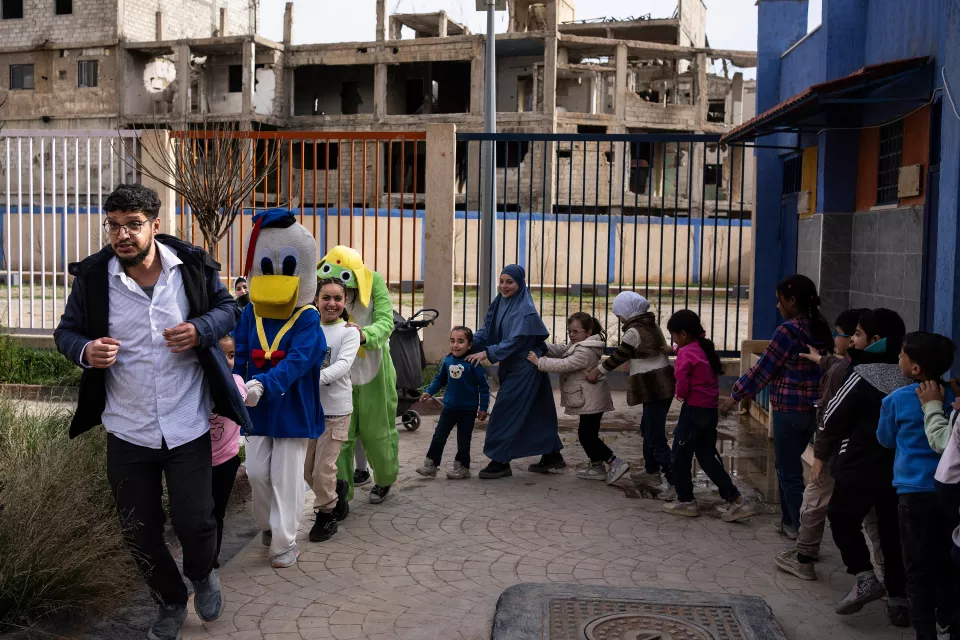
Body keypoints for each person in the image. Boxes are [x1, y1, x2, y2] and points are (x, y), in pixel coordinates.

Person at [53, 183, 248, 640]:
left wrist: (201, 329)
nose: (122, 235)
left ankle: (201, 573)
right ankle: (170, 599)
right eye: (114, 225)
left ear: (155, 225)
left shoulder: (191, 266)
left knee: (196, 521)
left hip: (185, 423)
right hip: (128, 428)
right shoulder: (94, 279)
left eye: (133, 225)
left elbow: (228, 309)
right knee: (138, 531)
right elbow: (66, 332)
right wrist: (85, 350)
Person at [234, 209, 326, 569]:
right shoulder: (250, 313)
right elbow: (242, 354)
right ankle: (268, 525)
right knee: (257, 473)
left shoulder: (309, 318)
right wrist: (237, 384)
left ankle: (285, 542)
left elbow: (299, 361)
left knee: (286, 477)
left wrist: (264, 383)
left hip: (292, 406)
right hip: (256, 406)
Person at [775, 308, 885, 581]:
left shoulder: (848, 373)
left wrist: (820, 456)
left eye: (847, 334)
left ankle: (804, 558)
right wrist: (820, 359)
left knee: (815, 500)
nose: (839, 339)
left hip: (839, 451)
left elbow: (829, 418)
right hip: (871, 455)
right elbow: (837, 364)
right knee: (874, 516)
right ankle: (888, 575)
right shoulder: (882, 369)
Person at [719, 274, 831, 538]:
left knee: (789, 472)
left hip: (789, 411)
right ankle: (788, 521)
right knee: (786, 467)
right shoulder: (820, 329)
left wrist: (735, 396)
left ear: (792, 301)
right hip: (812, 412)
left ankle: (801, 529)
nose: (778, 306)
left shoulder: (787, 331)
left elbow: (763, 369)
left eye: (780, 301)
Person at [819, 308, 909, 624]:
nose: (853, 340)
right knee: (892, 532)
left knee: (842, 518)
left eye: (857, 334)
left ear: (875, 340)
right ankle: (899, 598)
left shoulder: (861, 375)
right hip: (900, 470)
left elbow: (832, 418)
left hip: (858, 465)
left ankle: (865, 577)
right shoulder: (912, 375)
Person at [878, 332, 958, 640]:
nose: (898, 358)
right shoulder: (954, 398)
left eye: (901, 355)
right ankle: (946, 622)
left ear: (914, 368)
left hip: (913, 495)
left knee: (917, 570)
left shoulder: (896, 400)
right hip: (950, 494)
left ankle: (925, 632)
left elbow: (885, 440)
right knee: (946, 563)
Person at [661, 310, 764, 521]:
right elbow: (688, 353)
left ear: (683, 334)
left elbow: (681, 382)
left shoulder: (686, 354)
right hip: (708, 411)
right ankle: (736, 500)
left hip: (693, 410)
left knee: (679, 455)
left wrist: (680, 395)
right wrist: (674, 349)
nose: (674, 340)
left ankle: (685, 500)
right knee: (707, 457)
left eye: (674, 336)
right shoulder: (703, 347)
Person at [318, 246, 399, 504]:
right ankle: (340, 492)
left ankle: (384, 479)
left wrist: (365, 335)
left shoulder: (374, 281)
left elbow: (386, 321)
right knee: (339, 437)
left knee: (378, 431)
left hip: (373, 368)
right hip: (337, 372)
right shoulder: (324, 288)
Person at [465, 265, 562, 479]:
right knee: (536, 411)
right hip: (512, 366)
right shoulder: (501, 301)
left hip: (526, 367)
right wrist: (469, 344)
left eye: (509, 282)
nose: (503, 286)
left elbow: (516, 341)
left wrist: (487, 352)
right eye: (501, 281)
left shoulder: (525, 309)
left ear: (520, 283)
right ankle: (552, 454)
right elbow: (488, 328)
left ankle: (499, 460)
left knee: (504, 411)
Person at [586, 291, 674, 496]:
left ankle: (675, 483)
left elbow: (619, 356)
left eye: (619, 314)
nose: (620, 318)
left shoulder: (634, 331)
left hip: (656, 387)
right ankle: (651, 471)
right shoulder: (649, 325)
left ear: (627, 311)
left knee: (655, 436)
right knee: (647, 429)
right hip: (659, 387)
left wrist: (597, 371)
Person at [528, 312, 627, 484]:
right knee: (587, 434)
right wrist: (542, 346)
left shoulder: (585, 351)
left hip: (592, 400)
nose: (572, 335)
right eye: (570, 331)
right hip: (589, 399)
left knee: (587, 436)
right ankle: (596, 466)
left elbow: (564, 364)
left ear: (588, 332)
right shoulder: (580, 345)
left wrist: (539, 361)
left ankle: (614, 462)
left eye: (576, 331)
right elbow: (562, 350)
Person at [303, 277, 360, 542]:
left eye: (338, 298)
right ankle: (337, 489)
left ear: (345, 301)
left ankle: (326, 515)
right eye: (326, 297)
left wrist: (307, 379)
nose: (332, 303)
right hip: (309, 410)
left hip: (336, 412)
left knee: (322, 469)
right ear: (316, 300)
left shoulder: (349, 332)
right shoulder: (307, 327)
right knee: (307, 470)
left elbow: (342, 365)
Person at [417, 326, 490, 479]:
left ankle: (462, 468)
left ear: (469, 345)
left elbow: (484, 387)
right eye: (452, 341)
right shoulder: (448, 360)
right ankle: (431, 465)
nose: (455, 345)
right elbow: (440, 379)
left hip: (468, 410)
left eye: (460, 341)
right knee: (439, 436)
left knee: (463, 440)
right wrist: (429, 391)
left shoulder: (474, 364)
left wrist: (483, 408)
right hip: (449, 408)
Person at [210, 334, 247, 569]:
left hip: (226, 459)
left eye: (231, 355)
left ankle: (211, 561)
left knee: (217, 512)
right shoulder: (195, 383)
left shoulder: (237, 382)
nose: (227, 360)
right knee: (198, 514)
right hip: (196, 460)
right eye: (219, 354)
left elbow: (237, 398)